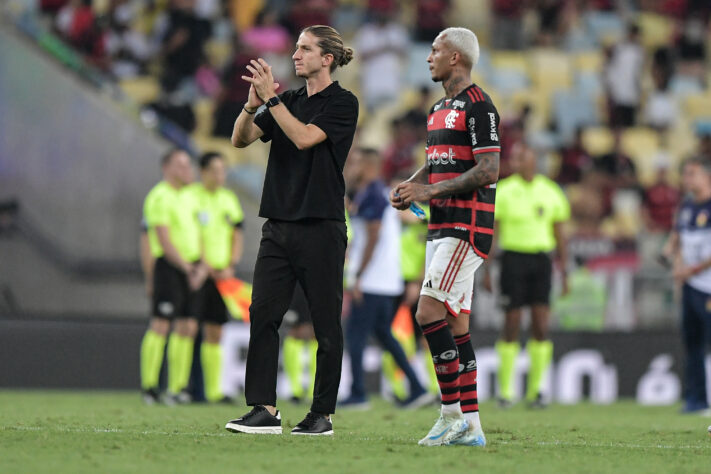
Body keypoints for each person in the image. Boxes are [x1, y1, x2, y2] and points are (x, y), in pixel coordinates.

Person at [224, 25, 358, 436]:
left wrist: (272, 100)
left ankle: (322, 414)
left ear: (327, 58)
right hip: (279, 224)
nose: (295, 54)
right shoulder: (290, 100)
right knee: (262, 313)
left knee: (324, 324)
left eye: (305, 48)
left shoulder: (342, 103)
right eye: (296, 47)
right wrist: (251, 107)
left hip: (321, 225)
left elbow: (303, 139)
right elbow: (239, 140)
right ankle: (264, 408)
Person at [391, 27, 500, 447]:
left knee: (426, 312)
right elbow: (436, 163)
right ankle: (472, 427)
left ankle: (449, 414)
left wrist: (429, 191)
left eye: (435, 50)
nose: (428, 57)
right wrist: (411, 184)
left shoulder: (480, 107)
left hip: (465, 225)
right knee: (456, 326)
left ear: (455, 57)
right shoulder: (438, 108)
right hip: (440, 226)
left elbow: (489, 170)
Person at [341, 148, 432, 409]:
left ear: (368, 166)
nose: (352, 168)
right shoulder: (376, 195)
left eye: (356, 163)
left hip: (372, 281)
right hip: (386, 281)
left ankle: (358, 393)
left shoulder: (374, 195)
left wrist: (358, 276)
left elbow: (374, 236)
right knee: (385, 335)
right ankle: (416, 388)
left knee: (356, 337)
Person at [484, 143, 570, 409]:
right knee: (511, 322)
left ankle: (537, 391)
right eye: (515, 158)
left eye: (522, 157)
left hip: (541, 260)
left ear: (534, 161)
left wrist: (564, 271)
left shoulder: (551, 191)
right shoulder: (505, 190)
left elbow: (559, 234)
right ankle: (506, 392)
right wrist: (487, 269)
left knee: (541, 324)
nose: (516, 162)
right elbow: (494, 233)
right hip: (512, 260)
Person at [139, 149, 207, 405]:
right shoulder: (159, 197)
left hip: (192, 267)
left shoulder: (192, 196)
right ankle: (150, 387)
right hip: (169, 267)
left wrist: (200, 266)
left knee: (188, 326)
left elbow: (201, 234)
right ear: (166, 167)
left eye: (188, 164)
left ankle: (177, 388)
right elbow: (164, 240)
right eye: (181, 165)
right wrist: (187, 268)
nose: (187, 169)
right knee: (161, 324)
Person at [187, 151, 244, 403]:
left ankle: (212, 391)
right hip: (197, 271)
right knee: (187, 328)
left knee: (215, 331)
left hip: (221, 275)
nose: (220, 176)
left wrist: (231, 264)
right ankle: (183, 388)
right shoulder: (191, 198)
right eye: (216, 170)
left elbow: (237, 235)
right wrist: (204, 262)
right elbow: (189, 233)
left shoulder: (229, 199)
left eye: (223, 171)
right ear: (203, 171)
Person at [663, 157, 711, 414]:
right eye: (685, 174)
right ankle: (696, 399)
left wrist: (692, 270)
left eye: (692, 174)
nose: (687, 179)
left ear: (706, 176)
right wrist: (671, 258)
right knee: (692, 344)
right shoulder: (687, 207)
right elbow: (677, 237)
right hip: (691, 286)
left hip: (708, 284)